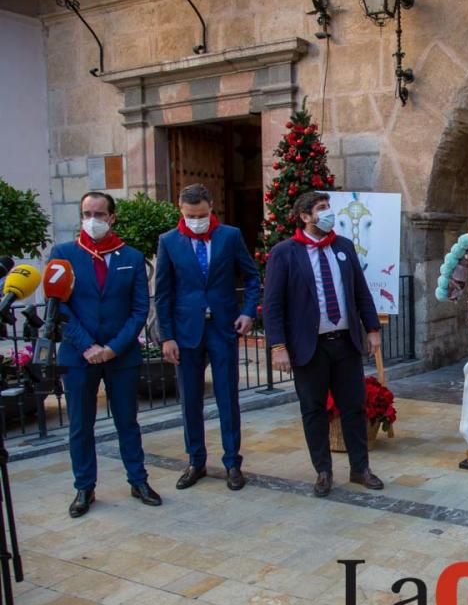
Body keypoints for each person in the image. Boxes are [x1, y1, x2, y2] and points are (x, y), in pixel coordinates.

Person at [263, 191, 383, 496]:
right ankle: (323, 471)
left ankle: (360, 468)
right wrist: (278, 347)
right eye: (321, 209)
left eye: (328, 207)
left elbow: (360, 292)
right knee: (313, 410)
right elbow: (273, 305)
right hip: (309, 347)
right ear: (305, 217)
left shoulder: (343, 247)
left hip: (345, 343)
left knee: (354, 407)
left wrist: (372, 328)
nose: (328, 213)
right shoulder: (285, 253)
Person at [50, 192, 160, 517]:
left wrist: (113, 347)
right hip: (78, 356)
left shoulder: (132, 256)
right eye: (87, 213)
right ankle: (84, 487)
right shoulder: (64, 254)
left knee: (128, 421)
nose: (93, 219)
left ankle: (138, 480)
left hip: (121, 355)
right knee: (80, 425)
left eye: (99, 213)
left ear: (112, 217)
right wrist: (87, 346)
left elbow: (140, 308)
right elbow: (60, 307)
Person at [154, 184, 260, 491]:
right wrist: (166, 337)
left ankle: (232, 463)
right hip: (185, 333)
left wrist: (248, 312)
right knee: (190, 401)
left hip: (223, 328)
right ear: (180, 210)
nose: (196, 220)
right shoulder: (169, 241)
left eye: (201, 214)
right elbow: (162, 294)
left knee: (228, 397)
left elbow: (252, 276)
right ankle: (195, 461)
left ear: (211, 206)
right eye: (190, 215)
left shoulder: (230, 236)